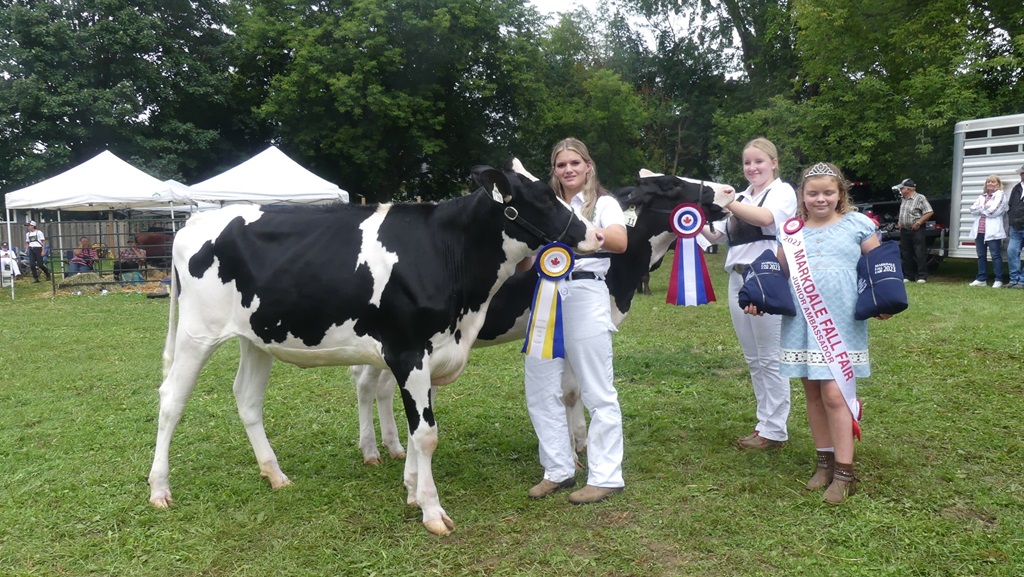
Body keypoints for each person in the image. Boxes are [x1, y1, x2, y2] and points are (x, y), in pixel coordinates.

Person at [751, 162, 884, 504]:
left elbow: (877, 269)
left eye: (828, 192)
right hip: (802, 321)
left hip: (841, 323)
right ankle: (823, 462)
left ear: (841, 194)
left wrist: (882, 300)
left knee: (834, 396)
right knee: (812, 392)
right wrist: (758, 297)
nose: (820, 199)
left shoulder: (858, 224)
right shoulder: (791, 230)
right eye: (813, 193)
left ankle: (844, 472)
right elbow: (778, 275)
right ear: (803, 196)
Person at [522, 137, 628, 504]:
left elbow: (618, 240)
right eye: (561, 164)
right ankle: (558, 469)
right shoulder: (545, 206)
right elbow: (526, 261)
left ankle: (606, 475)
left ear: (587, 165)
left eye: (574, 163)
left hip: (585, 292)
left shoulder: (605, 203)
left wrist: (574, 234)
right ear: (554, 170)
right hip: (547, 297)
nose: (568, 170)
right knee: (539, 385)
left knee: (597, 389)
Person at [701, 137, 797, 450]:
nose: (752, 167)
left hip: (767, 278)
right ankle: (764, 423)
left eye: (759, 161)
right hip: (738, 278)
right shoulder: (742, 196)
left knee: (770, 357)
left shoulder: (781, 192)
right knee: (754, 358)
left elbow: (766, 219)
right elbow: (719, 234)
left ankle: (775, 430)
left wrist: (726, 202)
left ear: (774, 162)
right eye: (747, 162)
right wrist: (692, 219)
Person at [968, 175, 1008, 288]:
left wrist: (981, 209)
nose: (990, 184)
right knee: (981, 255)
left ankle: (998, 279)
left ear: (998, 184)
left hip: (993, 231)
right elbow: (972, 209)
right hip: (980, 231)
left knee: (995, 255)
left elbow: (994, 211)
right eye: (988, 182)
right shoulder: (982, 196)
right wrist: (984, 208)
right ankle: (981, 278)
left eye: (993, 182)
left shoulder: (1000, 195)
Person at [895, 179, 934, 283]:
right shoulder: (903, 199)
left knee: (919, 252)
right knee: (906, 253)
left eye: (902, 188)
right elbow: (903, 211)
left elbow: (929, 212)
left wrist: (919, 223)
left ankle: (922, 276)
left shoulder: (920, 198)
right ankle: (908, 276)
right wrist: (900, 221)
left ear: (908, 189)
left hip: (917, 229)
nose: (900, 190)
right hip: (905, 229)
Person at [1005, 165, 1024, 289]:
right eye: (1021, 173)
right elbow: (1011, 206)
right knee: (1011, 251)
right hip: (1016, 227)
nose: (1022, 175)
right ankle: (1014, 279)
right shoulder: (1016, 188)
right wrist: (1011, 220)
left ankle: (1021, 280)